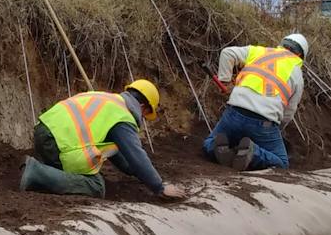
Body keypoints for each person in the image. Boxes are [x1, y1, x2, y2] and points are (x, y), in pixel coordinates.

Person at [20, 78, 186, 199]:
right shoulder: (123, 117)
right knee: (96, 185)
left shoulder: (106, 99)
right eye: (146, 114)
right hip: (59, 145)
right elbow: (136, 154)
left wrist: (137, 172)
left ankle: (47, 170)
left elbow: (120, 155)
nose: (143, 119)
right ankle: (37, 173)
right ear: (143, 107)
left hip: (43, 132)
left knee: (84, 165)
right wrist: (159, 187)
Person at [204, 33, 308, 172]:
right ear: (300, 54)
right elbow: (289, 112)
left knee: (210, 141)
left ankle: (218, 149)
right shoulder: (297, 74)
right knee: (282, 162)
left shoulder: (259, 51)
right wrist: (277, 129)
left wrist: (225, 81)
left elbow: (227, 53)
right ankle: (253, 153)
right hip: (263, 124)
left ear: (282, 44)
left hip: (234, 114)